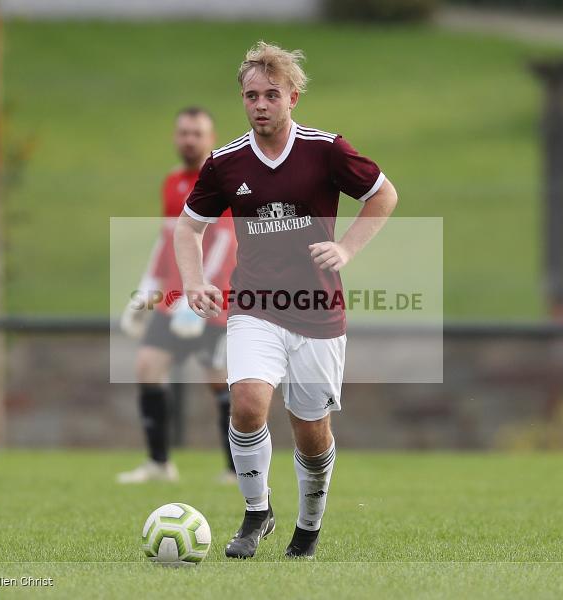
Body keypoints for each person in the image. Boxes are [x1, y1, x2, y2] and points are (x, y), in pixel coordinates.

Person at [174, 42, 397, 558]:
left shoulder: (326, 150)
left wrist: (346, 247)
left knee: (311, 431)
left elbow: (384, 194)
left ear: (292, 97)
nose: (260, 104)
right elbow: (188, 228)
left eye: (271, 94)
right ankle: (255, 514)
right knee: (248, 404)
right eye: (251, 95)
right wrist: (192, 280)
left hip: (319, 314)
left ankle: (309, 528)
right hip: (255, 305)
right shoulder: (225, 163)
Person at [117, 107, 237, 485]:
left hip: (214, 302)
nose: (189, 140)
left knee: (223, 383)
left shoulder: (220, 181)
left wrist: (195, 293)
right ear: (175, 137)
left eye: (197, 133)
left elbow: (223, 241)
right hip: (174, 298)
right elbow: (166, 240)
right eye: (183, 132)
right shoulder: (172, 183)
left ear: (211, 138)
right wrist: (146, 291)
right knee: (147, 368)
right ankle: (159, 464)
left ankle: (238, 471)